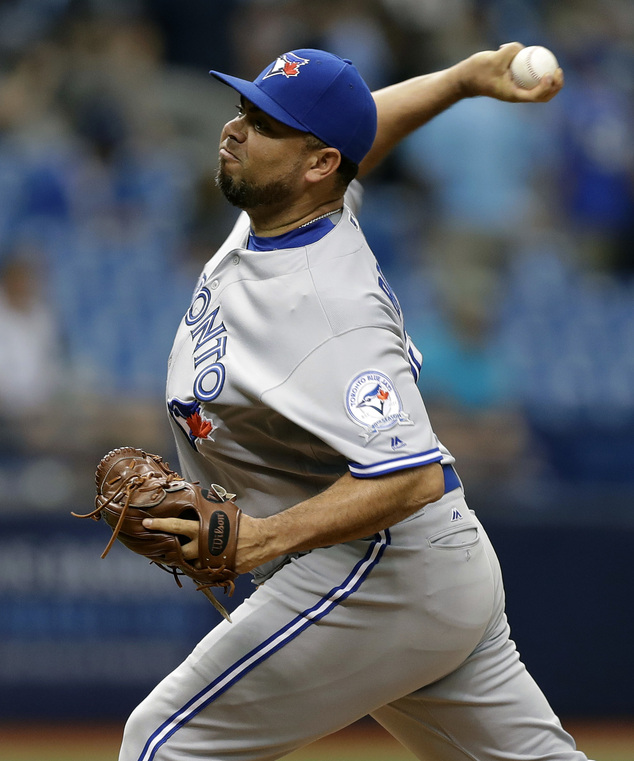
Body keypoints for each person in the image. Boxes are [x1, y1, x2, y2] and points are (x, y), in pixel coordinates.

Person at [118, 44, 588, 761]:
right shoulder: (285, 211)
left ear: (317, 166)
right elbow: (365, 128)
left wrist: (263, 539)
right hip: (427, 571)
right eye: (244, 108)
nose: (236, 128)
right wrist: (461, 80)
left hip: (383, 569)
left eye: (265, 123)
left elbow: (411, 473)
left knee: (162, 741)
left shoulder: (332, 308)